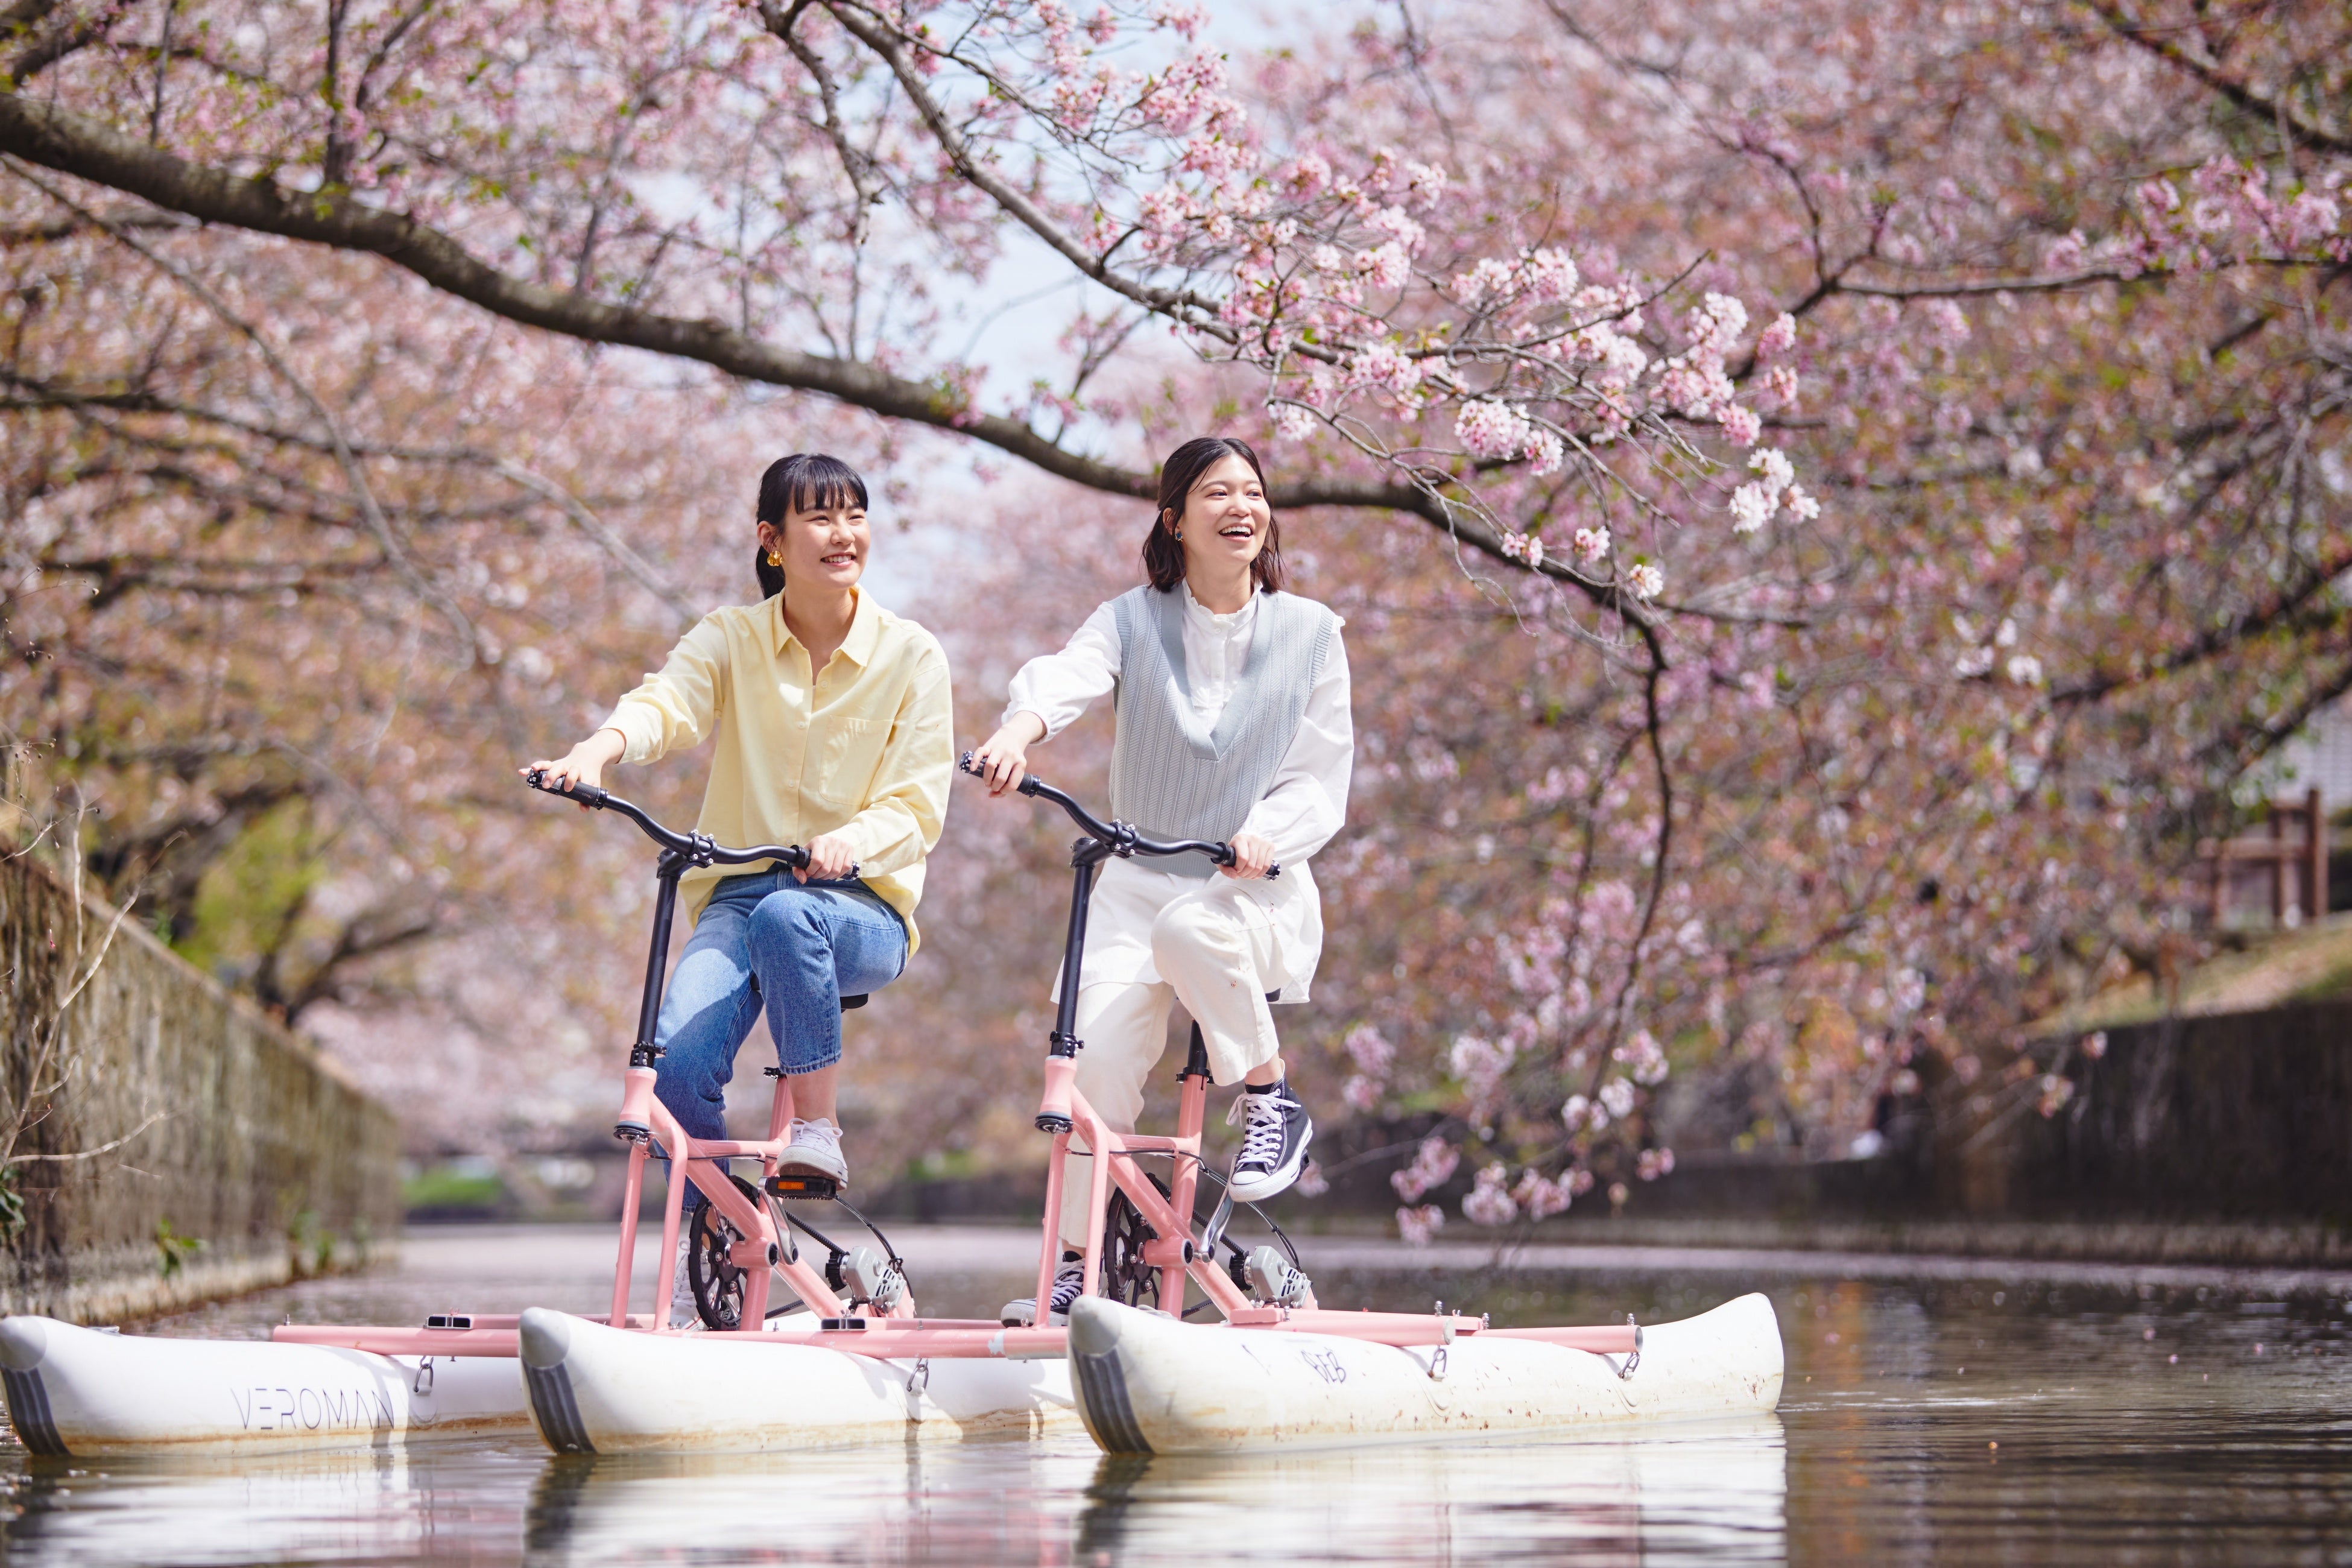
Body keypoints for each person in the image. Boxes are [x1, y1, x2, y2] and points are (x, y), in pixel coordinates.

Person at [524, 453, 952, 1326]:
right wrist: (595, 753)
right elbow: (667, 703)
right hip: (740, 898)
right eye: (820, 519)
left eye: (855, 516)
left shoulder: (911, 655)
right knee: (669, 1069)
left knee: (793, 915)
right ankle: (723, 1246)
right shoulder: (731, 637)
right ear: (772, 540)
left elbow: (915, 803)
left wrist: (848, 842)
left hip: (857, 909)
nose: (844, 535)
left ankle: (817, 1134)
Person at [972, 435, 1353, 1327]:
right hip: (1134, 882)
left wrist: (1266, 834)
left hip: (1250, 888)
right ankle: (1077, 1264)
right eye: (1216, 494)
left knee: (1192, 930)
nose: (1239, 509)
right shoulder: (1133, 620)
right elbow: (1069, 677)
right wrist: (1019, 732)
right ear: (1175, 520)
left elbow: (1321, 774)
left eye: (1252, 493)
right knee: (1087, 1066)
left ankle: (1270, 1096)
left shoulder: (1312, 633)